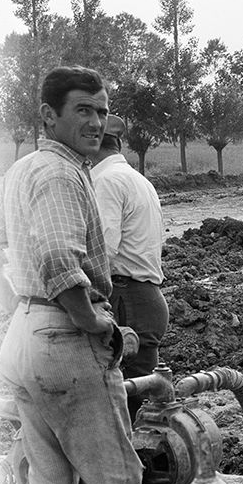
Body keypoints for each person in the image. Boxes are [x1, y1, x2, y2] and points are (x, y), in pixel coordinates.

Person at [0, 66, 179, 484]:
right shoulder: (65, 176)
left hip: (24, 333)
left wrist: (23, 311)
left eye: (101, 110)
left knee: (49, 478)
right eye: (82, 110)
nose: (96, 121)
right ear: (49, 115)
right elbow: (57, 257)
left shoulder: (21, 170)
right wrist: (91, 321)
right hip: (64, 339)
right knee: (114, 470)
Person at [91, 114, 168, 421]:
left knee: (122, 406)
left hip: (125, 299)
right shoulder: (138, 180)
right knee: (141, 401)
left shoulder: (105, 182)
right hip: (144, 299)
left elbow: (103, 251)